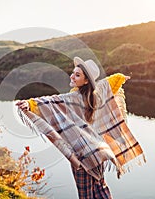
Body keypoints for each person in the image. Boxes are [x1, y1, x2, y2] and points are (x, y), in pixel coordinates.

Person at [16, 57, 145, 199]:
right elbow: (109, 82)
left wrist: (30, 104)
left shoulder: (73, 98)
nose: (72, 76)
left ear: (86, 81)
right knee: (101, 189)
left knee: (86, 195)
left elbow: (52, 101)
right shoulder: (97, 95)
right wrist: (121, 78)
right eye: (73, 72)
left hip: (82, 157)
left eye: (77, 75)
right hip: (98, 153)